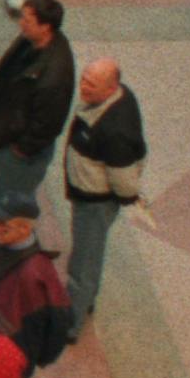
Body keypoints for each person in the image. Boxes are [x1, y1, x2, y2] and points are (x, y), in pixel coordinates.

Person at [62, 61, 146, 324]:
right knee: (89, 255)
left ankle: (71, 322)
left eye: (91, 84)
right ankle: (85, 301)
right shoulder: (118, 96)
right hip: (88, 195)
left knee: (83, 263)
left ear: (111, 89)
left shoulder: (115, 132)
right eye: (84, 78)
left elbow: (125, 184)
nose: (83, 87)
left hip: (95, 204)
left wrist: (125, 201)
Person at [0, 0, 75, 214]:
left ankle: (9, 238)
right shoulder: (30, 41)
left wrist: (20, 150)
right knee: (4, 190)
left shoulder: (54, 76)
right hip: (8, 130)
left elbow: (48, 125)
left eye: (27, 20)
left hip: (21, 151)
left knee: (11, 203)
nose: (20, 23)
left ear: (46, 27)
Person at [0, 199, 73, 371]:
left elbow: (60, 321)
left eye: (2, 223)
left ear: (24, 229)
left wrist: (33, 361)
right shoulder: (1, 245)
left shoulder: (37, 273)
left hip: (6, 361)